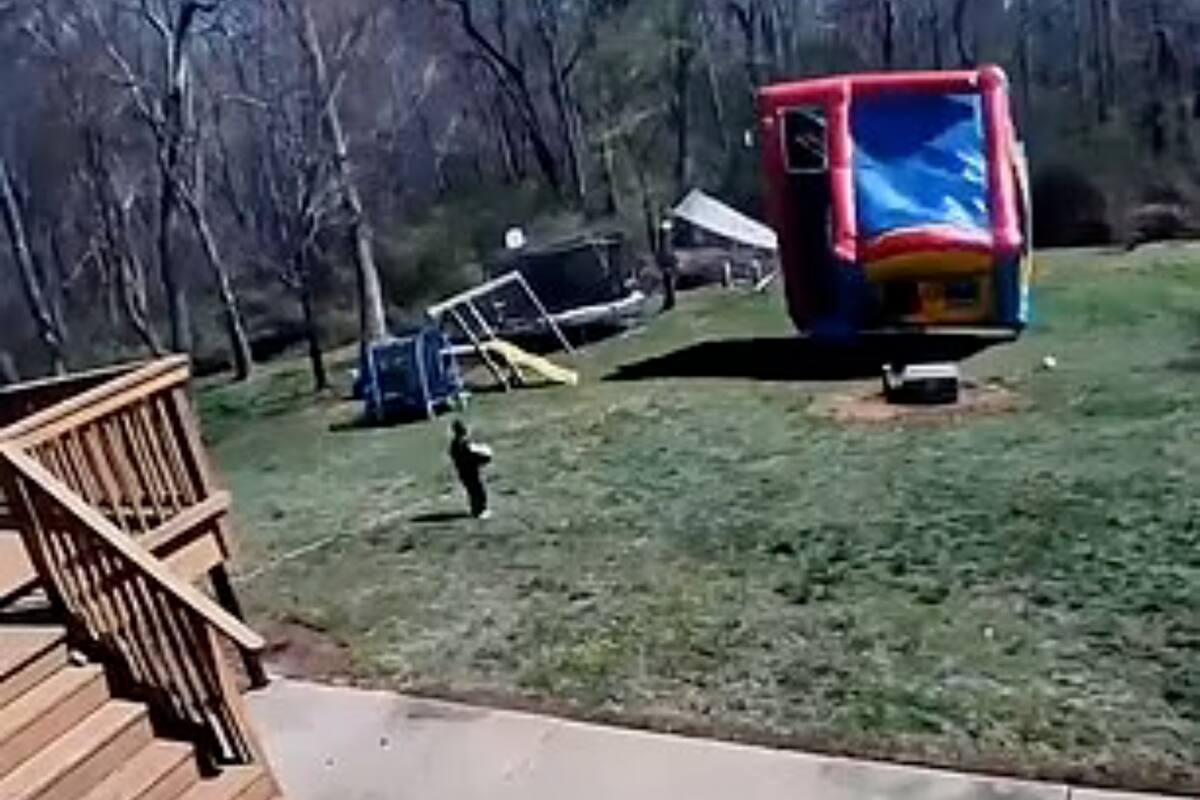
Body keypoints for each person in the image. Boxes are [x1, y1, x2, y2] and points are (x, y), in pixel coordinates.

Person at [449, 420, 493, 519]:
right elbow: (471, 457)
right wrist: (483, 459)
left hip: (463, 472)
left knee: (472, 491)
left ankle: (475, 509)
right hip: (470, 472)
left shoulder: (455, 444)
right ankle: (480, 511)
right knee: (478, 491)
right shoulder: (463, 444)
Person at [655, 218, 678, 312]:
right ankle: (669, 302)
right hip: (668, 263)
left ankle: (670, 302)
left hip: (668, 264)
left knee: (668, 285)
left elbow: (667, 252)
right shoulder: (666, 241)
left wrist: (667, 264)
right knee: (668, 284)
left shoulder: (666, 242)